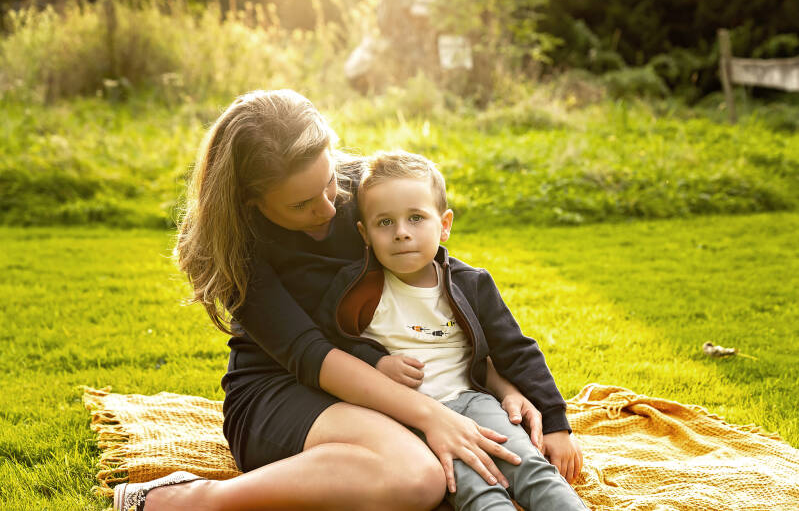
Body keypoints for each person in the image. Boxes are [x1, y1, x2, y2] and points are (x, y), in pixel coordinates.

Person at [114, 89, 549, 511]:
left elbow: (438, 295)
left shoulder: (367, 188)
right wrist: (431, 416)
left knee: (438, 471)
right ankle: (188, 500)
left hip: (380, 379)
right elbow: (311, 355)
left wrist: (502, 384)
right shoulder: (234, 247)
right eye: (301, 204)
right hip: (280, 390)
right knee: (419, 478)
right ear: (251, 201)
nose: (327, 209)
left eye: (328, 184)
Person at [310, 151, 586, 510]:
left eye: (415, 218)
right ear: (364, 233)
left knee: (526, 464)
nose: (402, 233)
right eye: (384, 223)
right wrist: (375, 362)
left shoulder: (471, 284)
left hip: (473, 400)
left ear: (444, 224)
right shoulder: (355, 289)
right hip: (410, 419)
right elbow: (330, 345)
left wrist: (556, 425)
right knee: (476, 484)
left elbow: (518, 351)